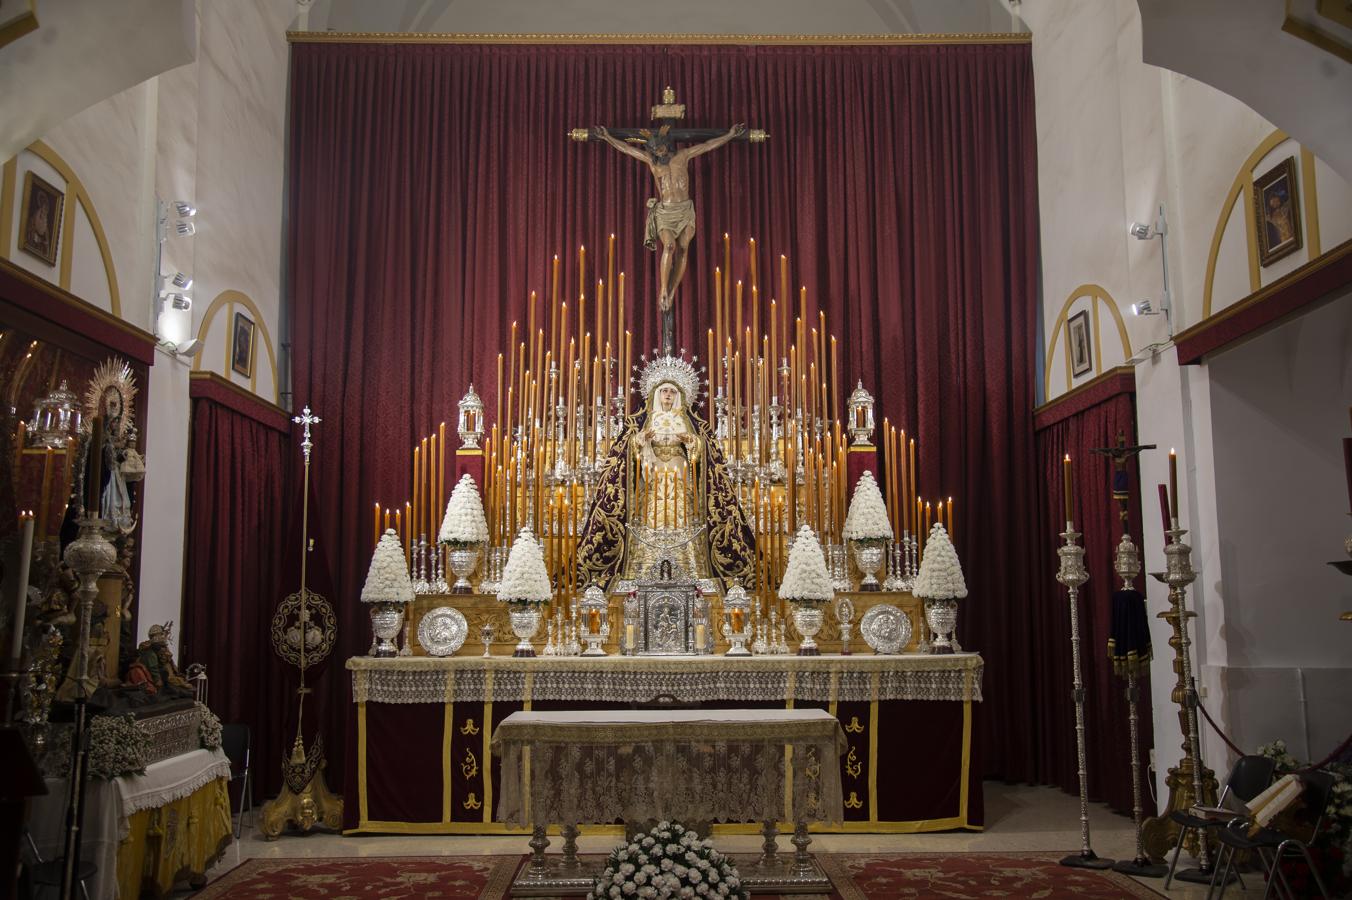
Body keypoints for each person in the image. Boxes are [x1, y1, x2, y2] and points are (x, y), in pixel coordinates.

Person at [575, 356, 755, 591]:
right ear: (656, 395)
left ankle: (689, 567)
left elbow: (705, 451)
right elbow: (626, 450)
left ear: (679, 396)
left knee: (683, 517)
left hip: (680, 475)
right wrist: (640, 440)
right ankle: (643, 568)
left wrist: (691, 441)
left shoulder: (690, 422)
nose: (668, 396)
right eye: (664, 392)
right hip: (652, 476)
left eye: (672, 392)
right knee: (652, 516)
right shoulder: (643, 420)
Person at [593, 122, 745, 314]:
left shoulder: (683, 156)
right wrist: (607, 137)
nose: (659, 153)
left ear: (668, 145)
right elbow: (627, 149)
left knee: (682, 249)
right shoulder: (652, 161)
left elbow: (707, 145)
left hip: (684, 210)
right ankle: (664, 288)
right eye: (655, 150)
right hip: (666, 211)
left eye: (662, 148)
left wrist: (730, 135)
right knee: (670, 246)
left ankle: (671, 292)